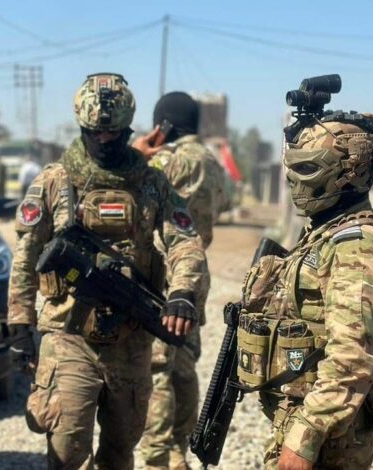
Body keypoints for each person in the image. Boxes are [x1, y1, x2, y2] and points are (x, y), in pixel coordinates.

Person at [6, 73, 207, 470]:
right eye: (94, 132)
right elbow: (25, 255)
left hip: (130, 340)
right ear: (82, 127)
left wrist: (183, 292)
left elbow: (185, 241)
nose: (102, 140)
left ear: (127, 129)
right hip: (68, 336)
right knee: (66, 451)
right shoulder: (55, 181)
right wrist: (18, 324)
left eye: (112, 133)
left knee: (120, 451)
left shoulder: (151, 183)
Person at [237, 111, 373, 469]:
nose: (294, 180)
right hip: (310, 418)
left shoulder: (358, 246)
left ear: (351, 173)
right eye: (292, 168)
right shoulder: (326, 233)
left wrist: (305, 439)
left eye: (307, 169)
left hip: (332, 439)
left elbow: (351, 359)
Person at [132, 92, 226, 470]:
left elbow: (134, 190)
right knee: (185, 364)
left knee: (158, 369)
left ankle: (157, 456)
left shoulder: (167, 161)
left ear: (164, 125)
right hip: (196, 274)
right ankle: (177, 452)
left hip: (165, 275)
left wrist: (137, 154)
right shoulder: (213, 162)